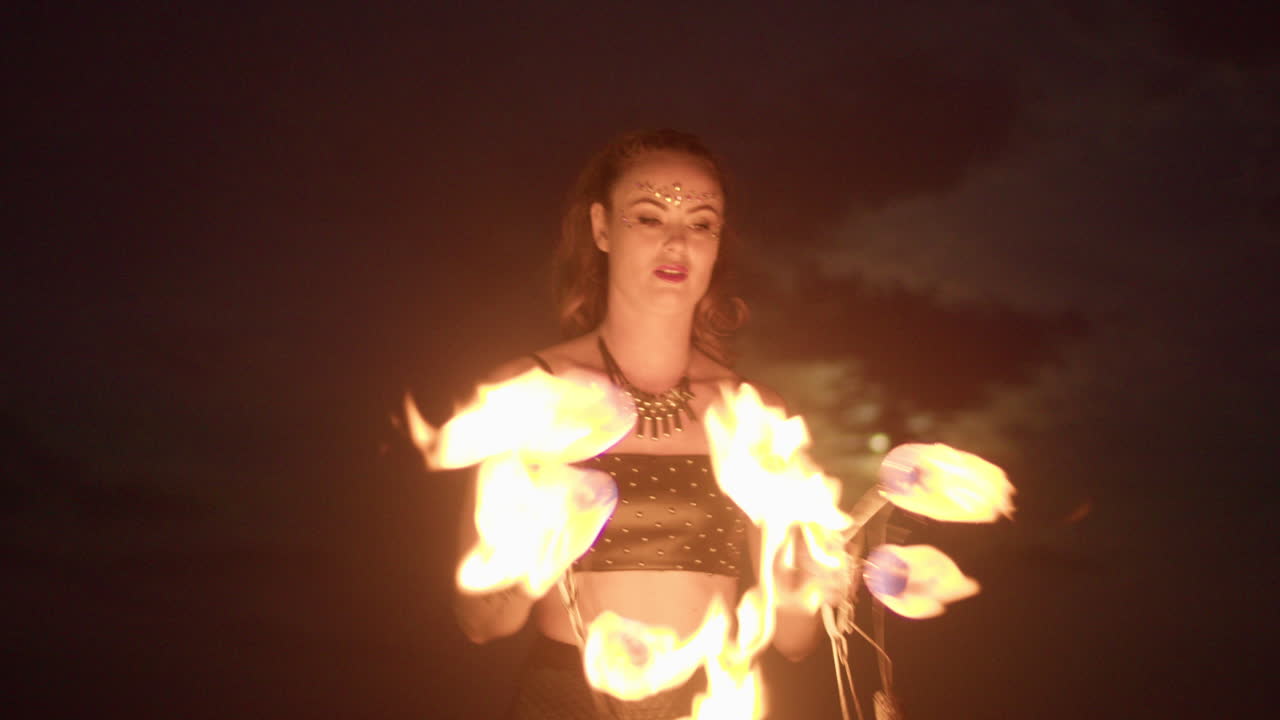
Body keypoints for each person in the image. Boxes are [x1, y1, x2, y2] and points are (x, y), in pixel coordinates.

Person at [453, 129, 823, 719]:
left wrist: (820, 575)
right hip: (570, 701)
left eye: (702, 223)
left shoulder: (756, 413)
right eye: (649, 217)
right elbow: (480, 622)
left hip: (713, 701)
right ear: (601, 228)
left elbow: (797, 639)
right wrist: (534, 548)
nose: (678, 242)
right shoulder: (532, 393)